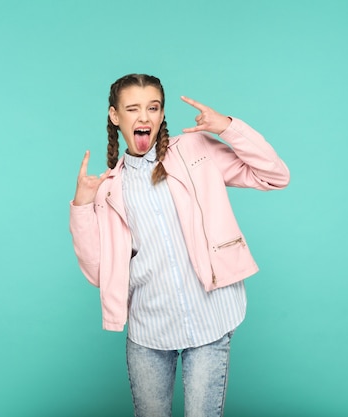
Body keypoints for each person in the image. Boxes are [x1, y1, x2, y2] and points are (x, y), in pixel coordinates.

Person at [69, 73, 290, 417]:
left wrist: (228, 127)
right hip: (149, 333)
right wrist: (82, 206)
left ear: (161, 113)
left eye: (153, 107)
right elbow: (100, 273)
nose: (144, 117)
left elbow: (274, 175)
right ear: (115, 116)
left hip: (211, 320)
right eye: (133, 109)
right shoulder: (108, 188)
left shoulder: (193, 151)